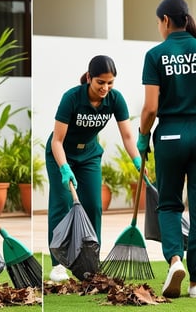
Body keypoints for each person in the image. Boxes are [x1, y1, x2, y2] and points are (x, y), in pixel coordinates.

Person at [45, 55, 141, 281]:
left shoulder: (115, 100)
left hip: (89, 156)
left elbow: (127, 135)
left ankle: (90, 262)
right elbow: (56, 141)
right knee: (61, 204)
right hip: (61, 154)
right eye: (100, 82)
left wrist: (137, 160)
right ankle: (57, 264)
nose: (105, 88)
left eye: (110, 83)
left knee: (94, 206)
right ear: (89, 78)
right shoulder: (72, 98)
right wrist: (64, 168)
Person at [137, 0, 196, 299]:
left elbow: (150, 108)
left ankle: (175, 259)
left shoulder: (155, 54)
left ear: (164, 21)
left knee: (170, 203)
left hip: (171, 135)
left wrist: (142, 135)